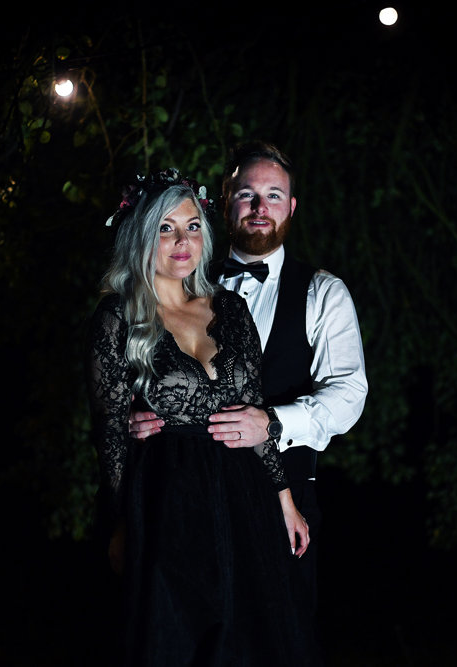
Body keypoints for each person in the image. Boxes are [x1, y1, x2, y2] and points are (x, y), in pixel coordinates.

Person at [130, 141, 369, 620]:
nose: (260, 207)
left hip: (284, 497)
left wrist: (272, 423)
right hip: (189, 494)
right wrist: (137, 416)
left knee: (277, 635)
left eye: (273, 196)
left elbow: (348, 395)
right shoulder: (181, 279)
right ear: (224, 202)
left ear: (291, 207)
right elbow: (137, 369)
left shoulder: (323, 291)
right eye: (247, 194)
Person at [89, 167, 316, 666]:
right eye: (166, 228)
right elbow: (109, 432)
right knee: (178, 637)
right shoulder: (118, 316)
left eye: (192, 226)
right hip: (167, 498)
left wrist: (284, 499)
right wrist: (121, 523)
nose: (182, 241)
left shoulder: (230, 308)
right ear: (141, 235)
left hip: (242, 495)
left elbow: (253, 408)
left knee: (254, 639)